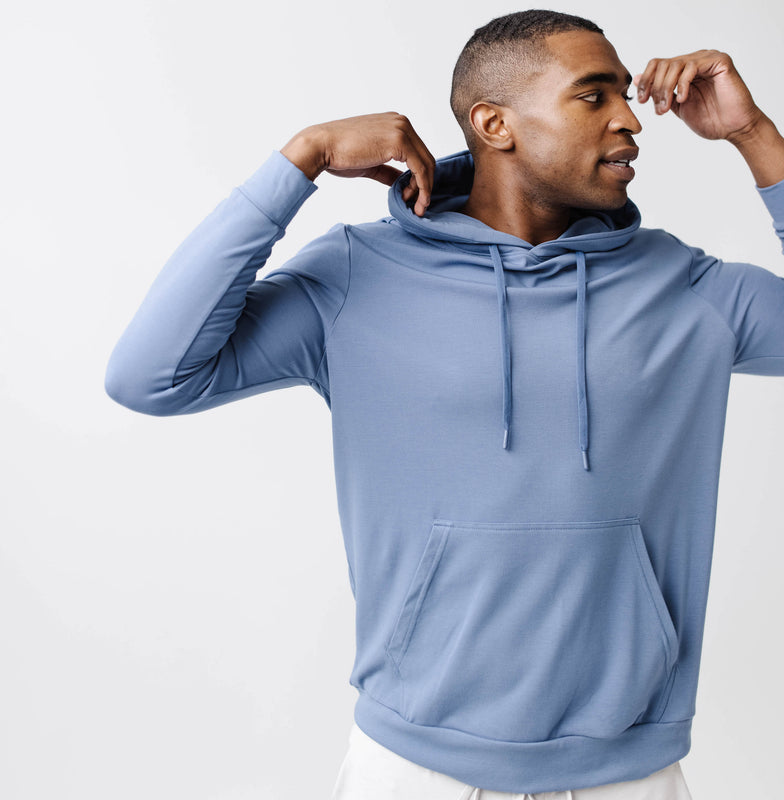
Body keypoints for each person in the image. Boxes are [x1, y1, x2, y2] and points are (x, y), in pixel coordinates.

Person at [104, 8, 784, 799]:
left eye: (624, 97)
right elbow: (150, 375)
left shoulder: (685, 286)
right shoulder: (357, 277)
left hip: (628, 771)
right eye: (593, 97)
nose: (631, 119)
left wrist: (756, 136)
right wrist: (301, 161)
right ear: (495, 124)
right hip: (411, 769)